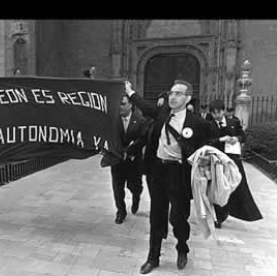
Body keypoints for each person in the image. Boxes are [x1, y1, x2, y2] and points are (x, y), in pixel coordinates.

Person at [125, 79, 212, 274]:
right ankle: (152, 257)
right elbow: (145, 105)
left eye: (178, 94)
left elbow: (211, 140)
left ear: (188, 98)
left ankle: (182, 248)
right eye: (171, 93)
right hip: (158, 171)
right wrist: (130, 92)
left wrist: (205, 157)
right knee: (156, 216)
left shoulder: (196, 122)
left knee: (179, 217)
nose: (172, 97)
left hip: (179, 174)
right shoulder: (162, 113)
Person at [208, 99, 262, 228]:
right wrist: (221, 139)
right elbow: (207, 141)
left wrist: (236, 138)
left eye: (219, 112)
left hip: (233, 160)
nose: (217, 115)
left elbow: (243, 136)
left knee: (237, 185)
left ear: (224, 110)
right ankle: (218, 216)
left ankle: (235, 210)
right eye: (214, 113)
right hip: (217, 161)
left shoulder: (234, 122)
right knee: (218, 187)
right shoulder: (208, 125)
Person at [111, 94, 151, 224]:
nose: (120, 107)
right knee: (118, 188)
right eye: (118, 104)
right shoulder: (112, 120)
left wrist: (130, 150)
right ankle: (121, 211)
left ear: (131, 105)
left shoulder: (140, 120)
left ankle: (136, 197)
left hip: (134, 162)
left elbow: (143, 139)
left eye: (123, 104)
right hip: (117, 161)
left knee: (135, 186)